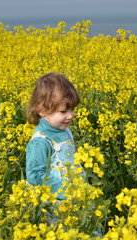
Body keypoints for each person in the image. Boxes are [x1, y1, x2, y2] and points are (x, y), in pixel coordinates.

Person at [25, 72, 84, 200]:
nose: (71, 115)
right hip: (52, 201)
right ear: (41, 111)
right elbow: (34, 175)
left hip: (72, 194)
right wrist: (65, 190)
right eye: (63, 111)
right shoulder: (40, 141)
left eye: (72, 109)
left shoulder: (64, 130)